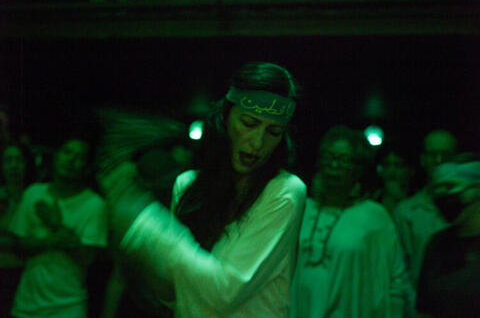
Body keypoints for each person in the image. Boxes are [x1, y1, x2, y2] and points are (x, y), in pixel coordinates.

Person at [101, 61, 306, 317]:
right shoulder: (187, 185)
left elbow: (224, 292)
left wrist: (146, 225)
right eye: (249, 123)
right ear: (226, 116)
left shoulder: (285, 191)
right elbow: (171, 293)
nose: (258, 142)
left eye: (273, 131)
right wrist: (137, 253)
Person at [290, 125, 409, 318]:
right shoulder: (303, 208)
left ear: (358, 169)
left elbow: (395, 281)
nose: (334, 165)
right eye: (329, 157)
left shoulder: (374, 216)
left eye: (344, 160)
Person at [7, 137, 108, 318]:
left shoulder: (94, 205)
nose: (71, 160)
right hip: (26, 304)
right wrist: (53, 241)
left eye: (79, 157)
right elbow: (18, 247)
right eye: (67, 152)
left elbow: (87, 258)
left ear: (86, 166)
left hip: (68, 307)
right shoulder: (33, 193)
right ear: (56, 156)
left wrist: (55, 224)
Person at [392, 129, 457, 291]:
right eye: (432, 154)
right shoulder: (406, 212)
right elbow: (400, 270)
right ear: (423, 159)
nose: (439, 160)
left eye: (446, 155)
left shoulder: (470, 208)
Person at [416, 155, 480, 318]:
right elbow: (424, 309)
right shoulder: (437, 243)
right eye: (437, 189)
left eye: (450, 186)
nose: (443, 195)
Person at [0, 142, 36, 317]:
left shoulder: (36, 197)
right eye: (8, 160)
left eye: (19, 160)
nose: (13, 165)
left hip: (29, 274)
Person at [375, 140, 415, 214]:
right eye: (386, 165)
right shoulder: (372, 200)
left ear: (410, 170)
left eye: (398, 165)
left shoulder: (418, 203)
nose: (391, 171)